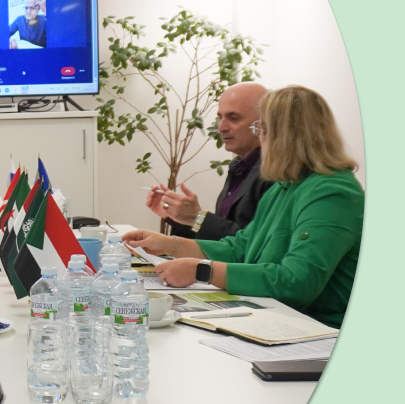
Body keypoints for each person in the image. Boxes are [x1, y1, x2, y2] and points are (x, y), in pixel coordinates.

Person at [128, 86, 363, 328]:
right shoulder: (285, 186)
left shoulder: (332, 192)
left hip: (317, 329)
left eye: (261, 129)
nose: (260, 138)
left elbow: (297, 282)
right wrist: (170, 244)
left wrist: (202, 271)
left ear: (284, 135)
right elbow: (241, 247)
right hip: (278, 316)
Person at [138, 82, 273, 240]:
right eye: (220, 117)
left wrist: (197, 217)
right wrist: (178, 217)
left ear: (263, 123)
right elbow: (219, 239)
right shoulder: (239, 167)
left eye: (233, 118)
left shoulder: (274, 173)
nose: (221, 127)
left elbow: (254, 244)